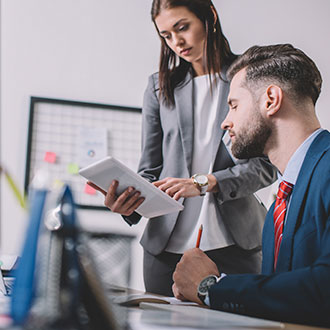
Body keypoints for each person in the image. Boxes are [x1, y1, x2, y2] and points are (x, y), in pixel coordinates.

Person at [89, 0, 276, 296]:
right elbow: (149, 169)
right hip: (165, 250)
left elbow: (266, 166)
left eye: (182, 27)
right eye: (166, 35)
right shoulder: (159, 87)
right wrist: (129, 203)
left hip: (237, 247)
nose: (177, 42)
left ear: (209, 16)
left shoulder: (249, 78)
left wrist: (204, 183)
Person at [172, 44, 330, 327]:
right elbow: (282, 300)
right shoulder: (277, 206)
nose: (225, 122)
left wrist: (210, 287)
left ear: (270, 99)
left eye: (233, 105)